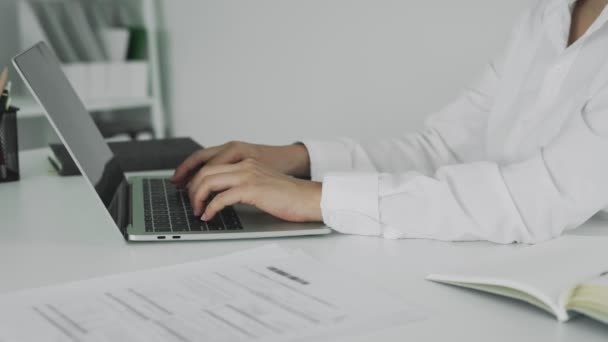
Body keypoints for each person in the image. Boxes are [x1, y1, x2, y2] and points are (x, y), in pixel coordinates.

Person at [172, 0, 608, 244]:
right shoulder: (544, 16)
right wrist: (297, 159)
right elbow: (443, 148)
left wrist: (318, 198)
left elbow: (532, 201)